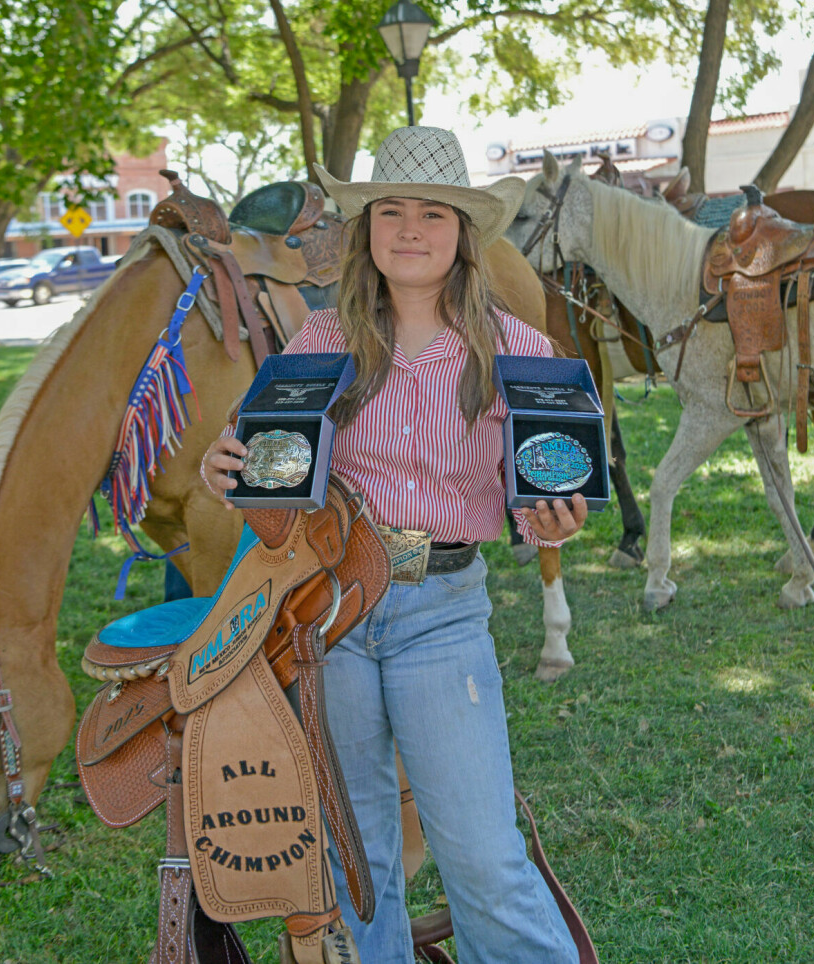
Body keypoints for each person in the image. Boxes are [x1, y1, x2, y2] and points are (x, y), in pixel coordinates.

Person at [201, 126, 586, 963]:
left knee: (484, 858)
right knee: (354, 855)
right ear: (367, 229)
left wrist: (553, 514)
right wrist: (224, 463)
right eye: (392, 212)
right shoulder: (321, 341)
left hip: (443, 612)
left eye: (434, 215)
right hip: (329, 612)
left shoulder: (519, 351)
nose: (411, 230)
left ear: (462, 233)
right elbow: (261, 459)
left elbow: (548, 482)